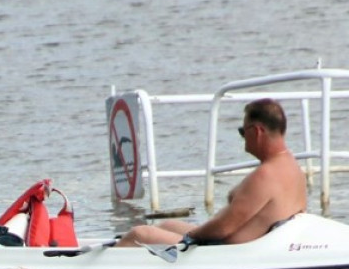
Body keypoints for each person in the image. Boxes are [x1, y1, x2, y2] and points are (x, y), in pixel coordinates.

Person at [116, 97, 307, 248]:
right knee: (167, 226)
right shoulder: (292, 167)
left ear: (256, 131)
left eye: (242, 131)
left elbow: (224, 228)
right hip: (246, 245)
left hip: (227, 251)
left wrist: (191, 236)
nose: (243, 138)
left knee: (139, 234)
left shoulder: (266, 175)